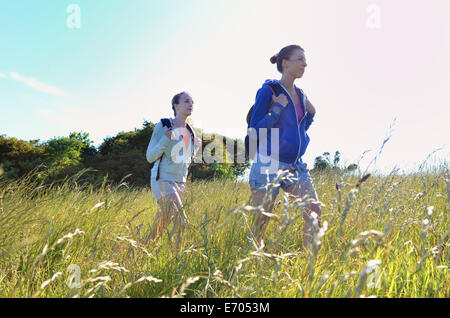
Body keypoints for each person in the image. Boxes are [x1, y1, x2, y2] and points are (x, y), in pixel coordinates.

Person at [248, 44, 322, 249]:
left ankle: (311, 266)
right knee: (260, 222)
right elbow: (255, 131)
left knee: (314, 211)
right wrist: (277, 108)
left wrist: (311, 115)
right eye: (300, 59)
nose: (305, 64)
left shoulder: (301, 94)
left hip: (294, 165)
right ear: (285, 63)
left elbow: (300, 128)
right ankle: (252, 263)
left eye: (305, 60)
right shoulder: (268, 91)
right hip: (268, 163)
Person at [146, 91, 201, 245]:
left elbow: (185, 162)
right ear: (176, 106)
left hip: (180, 184)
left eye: (192, 102)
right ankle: (180, 265)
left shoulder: (191, 131)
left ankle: (139, 253)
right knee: (182, 222)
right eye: (186, 101)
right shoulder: (164, 125)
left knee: (160, 225)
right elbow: (150, 156)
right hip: (162, 179)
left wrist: (195, 149)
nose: (190, 104)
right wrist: (165, 138)